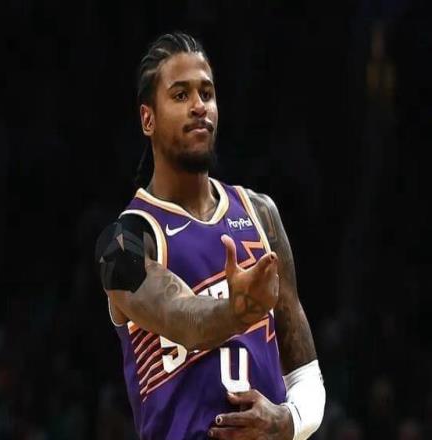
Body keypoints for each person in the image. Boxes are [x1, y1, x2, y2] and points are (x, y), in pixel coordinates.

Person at [95, 32, 325, 440]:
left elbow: (307, 377)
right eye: (180, 95)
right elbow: (184, 319)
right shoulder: (123, 244)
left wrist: (287, 422)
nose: (199, 106)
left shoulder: (261, 215)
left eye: (207, 93)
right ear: (148, 119)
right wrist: (239, 310)